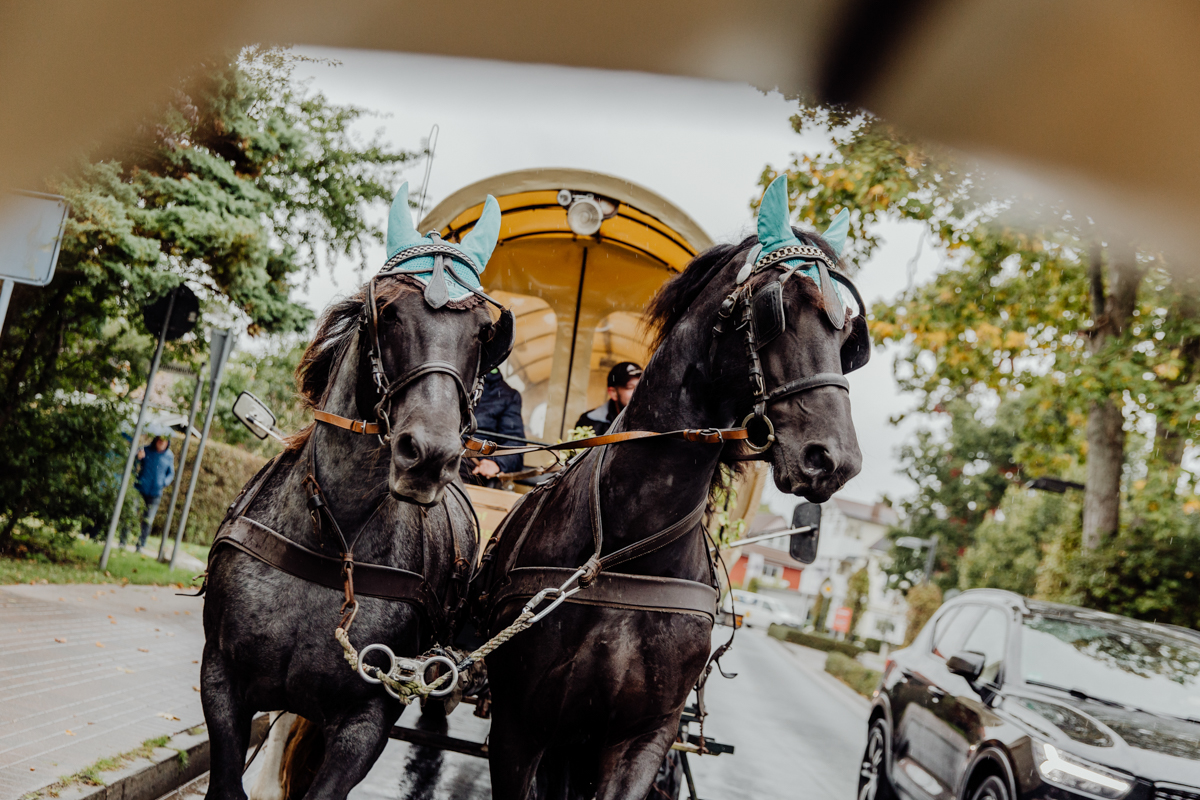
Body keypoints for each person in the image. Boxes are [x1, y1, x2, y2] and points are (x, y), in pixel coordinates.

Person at [464, 368, 526, 486]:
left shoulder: (508, 396)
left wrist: (497, 463)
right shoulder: (447, 381)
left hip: (472, 468)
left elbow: (515, 444)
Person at [121, 435, 175, 553]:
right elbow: (133, 466)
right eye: (160, 440)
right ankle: (123, 541)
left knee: (148, 520)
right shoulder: (145, 450)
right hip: (140, 489)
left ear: (167, 443)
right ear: (156, 441)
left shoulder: (169, 456)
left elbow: (171, 474)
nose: (161, 443)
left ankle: (140, 545)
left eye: (164, 441)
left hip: (155, 492)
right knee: (131, 514)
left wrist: (163, 483)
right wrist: (138, 458)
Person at [574, 361, 642, 437]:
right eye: (630, 387)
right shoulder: (589, 422)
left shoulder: (651, 420)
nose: (638, 392)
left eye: (641, 386)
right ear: (613, 393)